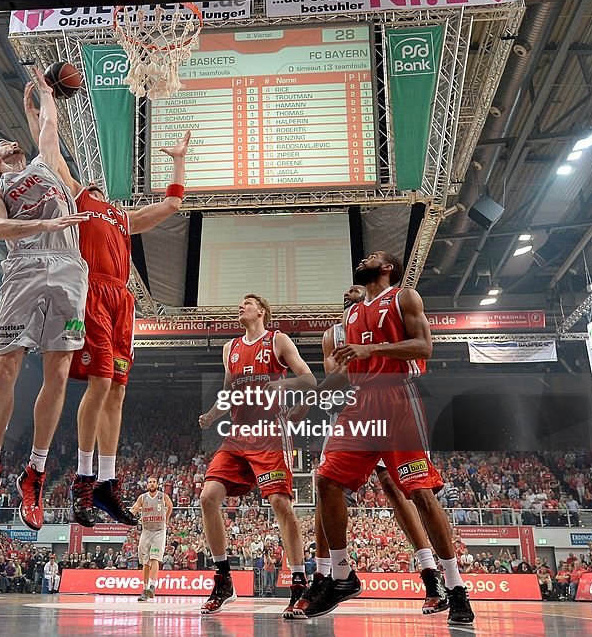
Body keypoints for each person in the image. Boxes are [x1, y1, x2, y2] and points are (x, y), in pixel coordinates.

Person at [22, 84, 191, 527]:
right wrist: (38, 108)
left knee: (117, 390)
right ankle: (82, 477)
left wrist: (176, 160)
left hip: (122, 300)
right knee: (99, 384)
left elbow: (173, 203)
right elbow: (50, 151)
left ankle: (107, 484)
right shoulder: (77, 196)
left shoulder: (122, 216)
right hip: (91, 291)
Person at [304, 251, 474, 625]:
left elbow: (424, 347)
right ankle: (343, 574)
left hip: (398, 396)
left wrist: (372, 349)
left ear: (387, 268)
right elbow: (348, 372)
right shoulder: (350, 316)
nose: (365, 258)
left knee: (418, 493)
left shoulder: (404, 297)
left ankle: (454, 586)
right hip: (360, 400)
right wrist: (309, 397)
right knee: (326, 480)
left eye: (374, 256)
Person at [0, 69, 89, 532]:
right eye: (0, 147)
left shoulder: (47, 163)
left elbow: (50, 126)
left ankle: (34, 473)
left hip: (71, 270)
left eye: (12, 141)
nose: (10, 146)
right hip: (25, 266)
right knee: (7, 367)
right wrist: (44, 226)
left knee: (58, 374)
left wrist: (44, 93)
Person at [197, 294, 316, 616]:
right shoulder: (229, 348)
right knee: (208, 497)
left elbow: (308, 378)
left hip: (270, 433)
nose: (240, 306)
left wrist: (287, 387)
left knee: (280, 503)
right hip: (237, 435)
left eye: (247, 303)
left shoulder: (277, 340)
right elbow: (228, 394)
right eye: (240, 304)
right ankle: (223, 579)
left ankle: (299, 581)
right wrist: (212, 414)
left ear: (261, 311)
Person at [130, 476, 173, 601]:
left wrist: (167, 519)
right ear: (147, 485)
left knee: (154, 558)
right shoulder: (142, 497)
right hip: (146, 531)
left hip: (159, 531)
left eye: (154, 482)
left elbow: (170, 506)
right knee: (145, 563)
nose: (152, 484)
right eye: (150, 482)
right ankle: (144, 589)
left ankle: (152, 586)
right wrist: (130, 514)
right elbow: (135, 508)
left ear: (157, 484)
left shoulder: (163, 496)